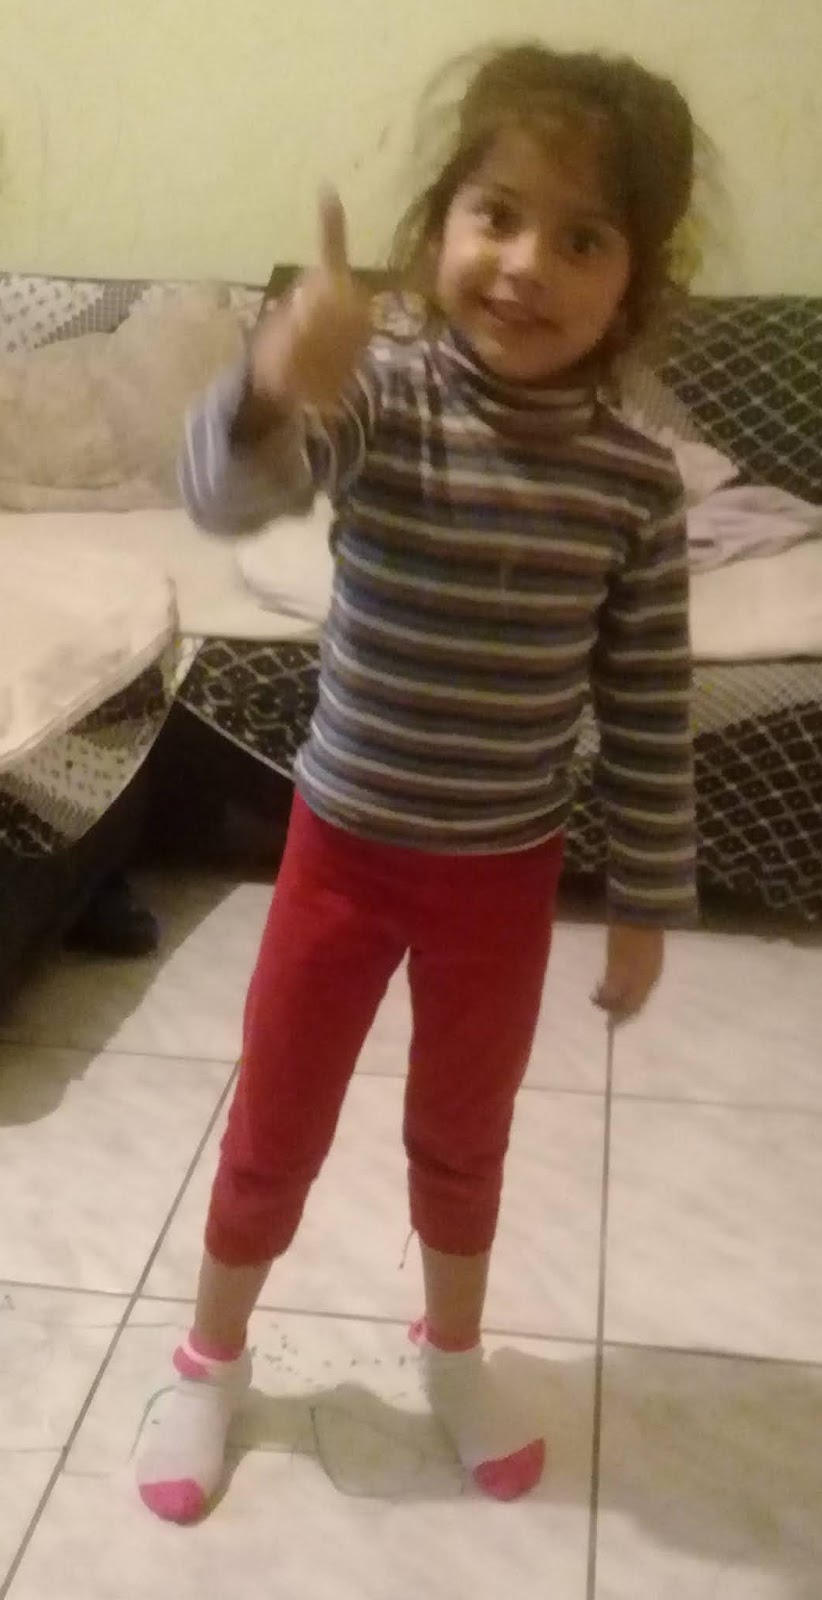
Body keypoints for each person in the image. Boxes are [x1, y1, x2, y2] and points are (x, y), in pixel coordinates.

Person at [138, 41, 701, 1522]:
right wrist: (275, 380)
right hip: (342, 849)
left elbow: (648, 707)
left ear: (632, 286)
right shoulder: (378, 396)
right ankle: (208, 1359)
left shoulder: (636, 484)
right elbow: (223, 495)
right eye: (496, 215)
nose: (524, 264)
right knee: (276, 1118)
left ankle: (451, 1353)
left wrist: (648, 898)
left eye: (580, 238)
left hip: (501, 879)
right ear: (439, 225)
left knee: (463, 1133)